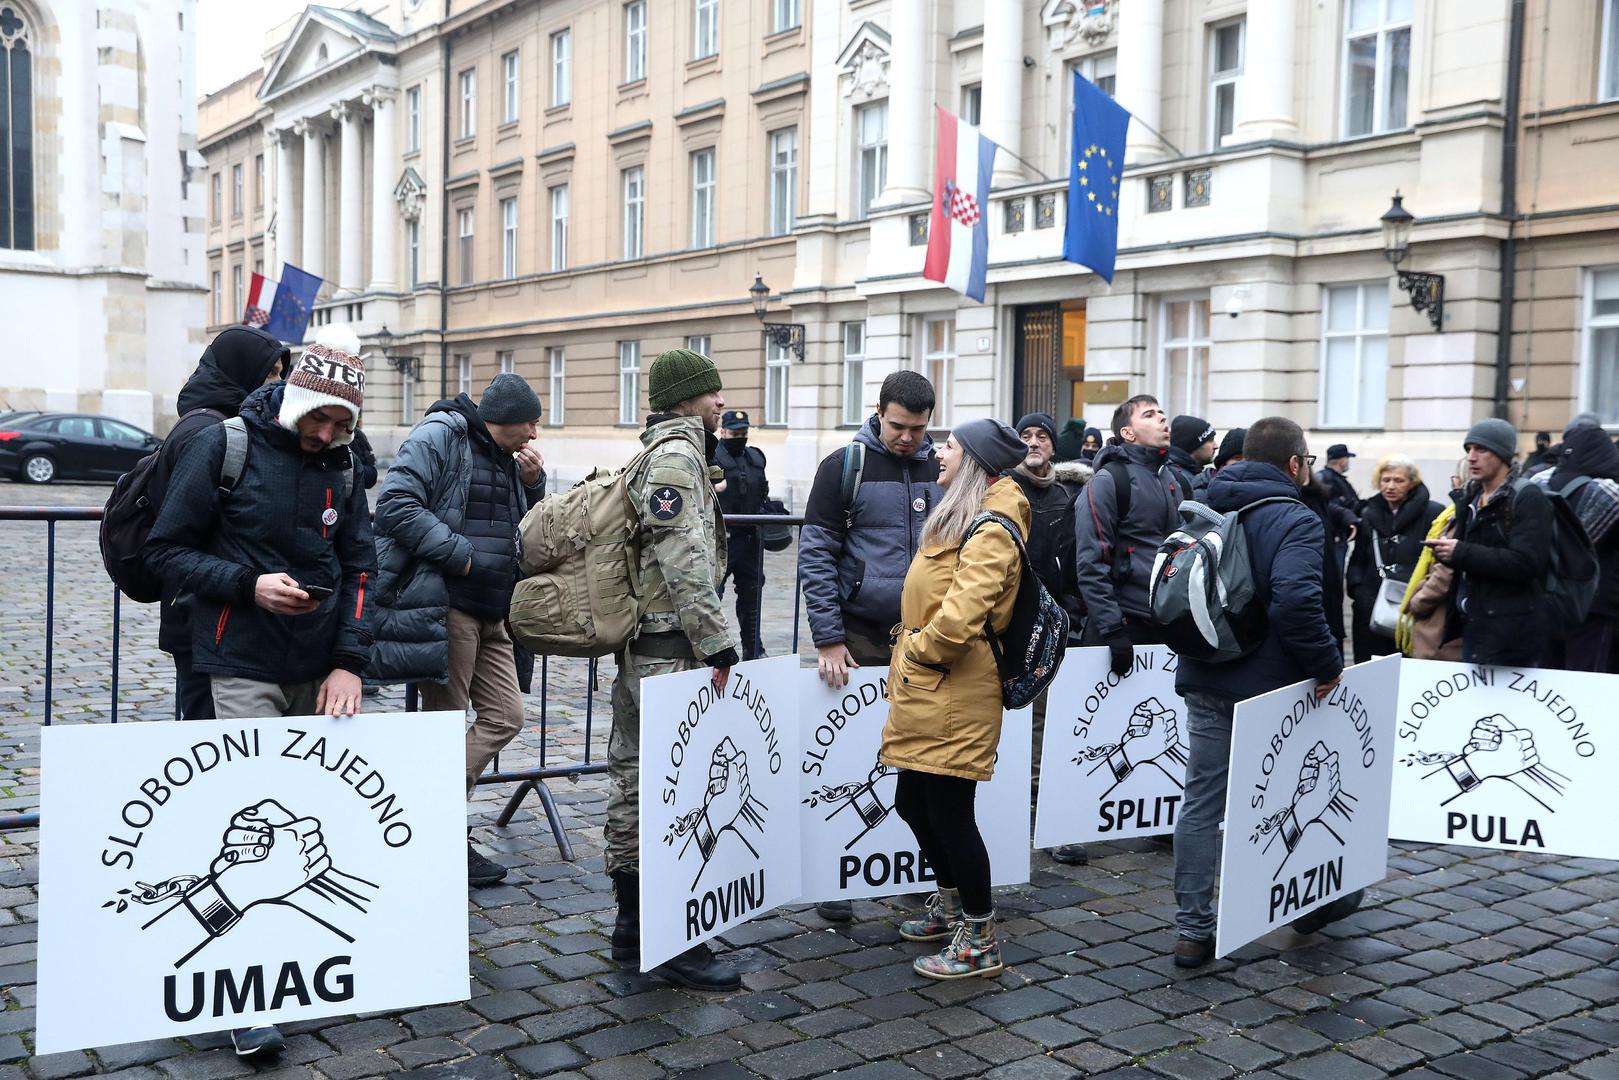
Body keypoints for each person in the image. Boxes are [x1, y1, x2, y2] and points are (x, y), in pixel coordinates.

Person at [145, 327, 375, 1059]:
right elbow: (166, 551)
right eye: (320, 419)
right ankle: (242, 994)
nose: (328, 435)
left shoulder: (344, 463)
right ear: (295, 400)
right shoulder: (227, 445)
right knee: (245, 812)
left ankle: (299, 959)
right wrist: (248, 585)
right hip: (237, 657)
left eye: (343, 424)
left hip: (318, 665)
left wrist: (349, 660)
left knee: (310, 815)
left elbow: (361, 567)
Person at [1170, 418, 1347, 969]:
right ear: (1295, 464)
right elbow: (1296, 601)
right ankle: (1295, 905)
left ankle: (1193, 931)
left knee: (1201, 801)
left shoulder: (1203, 500)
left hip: (1204, 671)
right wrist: (1327, 663)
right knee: (1285, 794)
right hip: (1272, 687)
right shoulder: (1296, 517)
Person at [366, 373, 547, 888]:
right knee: (444, 725)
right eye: (530, 423)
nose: (534, 434)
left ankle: (427, 817)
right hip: (446, 604)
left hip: (494, 611)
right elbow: (397, 506)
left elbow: (521, 525)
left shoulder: (508, 458)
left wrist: (533, 485)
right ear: (506, 419)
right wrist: (462, 559)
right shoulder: (442, 435)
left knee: (506, 715)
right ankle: (438, 833)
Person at [605, 348, 743, 991]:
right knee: (669, 789)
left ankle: (633, 929)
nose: (722, 403)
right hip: (669, 650)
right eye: (712, 393)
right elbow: (683, 557)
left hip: (653, 647)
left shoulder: (666, 454)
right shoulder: (676, 458)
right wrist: (718, 643)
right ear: (688, 399)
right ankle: (670, 938)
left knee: (638, 779)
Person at [880, 418, 1031, 980]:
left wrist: (920, 648)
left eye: (950, 446)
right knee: (913, 804)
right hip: (932, 688)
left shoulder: (992, 525)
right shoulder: (968, 514)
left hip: (955, 688)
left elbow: (964, 614)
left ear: (972, 462)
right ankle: (950, 906)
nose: (938, 452)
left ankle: (980, 937)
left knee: (950, 813)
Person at [798, 370, 941, 921]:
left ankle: (914, 869)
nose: (907, 438)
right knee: (852, 758)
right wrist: (829, 639)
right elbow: (816, 554)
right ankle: (838, 876)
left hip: (924, 637)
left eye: (917, 428)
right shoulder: (844, 467)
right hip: (859, 634)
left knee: (919, 758)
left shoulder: (940, 465)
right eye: (898, 426)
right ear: (879, 411)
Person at [146, 325, 288, 722]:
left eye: (281, 372)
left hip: (226, 610)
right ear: (241, 371)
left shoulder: (227, 422)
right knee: (211, 739)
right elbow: (175, 542)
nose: (280, 383)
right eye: (271, 374)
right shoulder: (209, 431)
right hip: (201, 615)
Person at [1064, 395, 1181, 865]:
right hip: (1119, 625)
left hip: (1165, 623)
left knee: (1155, 727)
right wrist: (1112, 628)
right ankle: (1068, 825)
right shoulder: (1109, 481)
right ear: (1128, 432)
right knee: (1096, 730)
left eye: (1162, 413)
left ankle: (1154, 818)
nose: (1162, 420)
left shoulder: (1172, 478)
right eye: (1150, 415)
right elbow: (1090, 561)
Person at [1425, 418, 1551, 667]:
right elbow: (1473, 557)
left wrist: (1460, 552)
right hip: (1474, 625)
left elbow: (1526, 563)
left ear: (1503, 455)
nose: (1471, 457)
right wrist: (1447, 552)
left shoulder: (1526, 497)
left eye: (1481, 449)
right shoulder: (1471, 495)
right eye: (1468, 449)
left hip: (1511, 635)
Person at [1009, 412, 1089, 792]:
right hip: (1007, 617)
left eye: (1042, 436)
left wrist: (1069, 608)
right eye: (1025, 434)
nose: (1034, 442)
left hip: (1050, 619)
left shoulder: (1065, 496)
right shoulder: (1004, 489)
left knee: (1043, 708)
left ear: (1053, 447)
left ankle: (1037, 788)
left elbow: (1073, 559)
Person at [1533, 423, 1619, 672]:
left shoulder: (1540, 483)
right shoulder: (1609, 495)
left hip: (1546, 597)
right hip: (1595, 605)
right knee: (1587, 680)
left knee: (1548, 678)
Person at [1345, 456, 1444, 662]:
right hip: (1370, 606)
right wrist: (1358, 590)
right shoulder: (1369, 513)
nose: (1390, 486)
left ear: (1412, 483)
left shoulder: (1433, 513)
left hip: (1414, 605)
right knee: (1369, 670)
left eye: (1398, 480)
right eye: (1385, 480)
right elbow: (1359, 557)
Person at [714, 408, 771, 660]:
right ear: (723, 431)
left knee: (752, 594)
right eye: (735, 433)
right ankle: (713, 648)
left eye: (744, 432)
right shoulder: (711, 456)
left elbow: (762, 493)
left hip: (750, 539)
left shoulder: (755, 458)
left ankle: (753, 649)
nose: (740, 437)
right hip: (723, 540)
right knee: (714, 594)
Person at [1398, 461, 1467, 662]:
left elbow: (1445, 571)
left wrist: (1418, 601)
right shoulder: (1452, 513)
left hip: (1441, 625)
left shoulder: (1456, 516)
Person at [1316, 444, 1360, 574]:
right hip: (1333, 538)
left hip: (1337, 537)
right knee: (1332, 576)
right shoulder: (1326, 479)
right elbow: (1325, 507)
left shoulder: (1332, 479)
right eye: (1347, 458)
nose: (1348, 462)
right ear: (1342, 460)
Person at [1166, 416, 1215, 503]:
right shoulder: (1176, 477)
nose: (1216, 446)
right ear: (1193, 444)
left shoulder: (1190, 473)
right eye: (1210, 440)